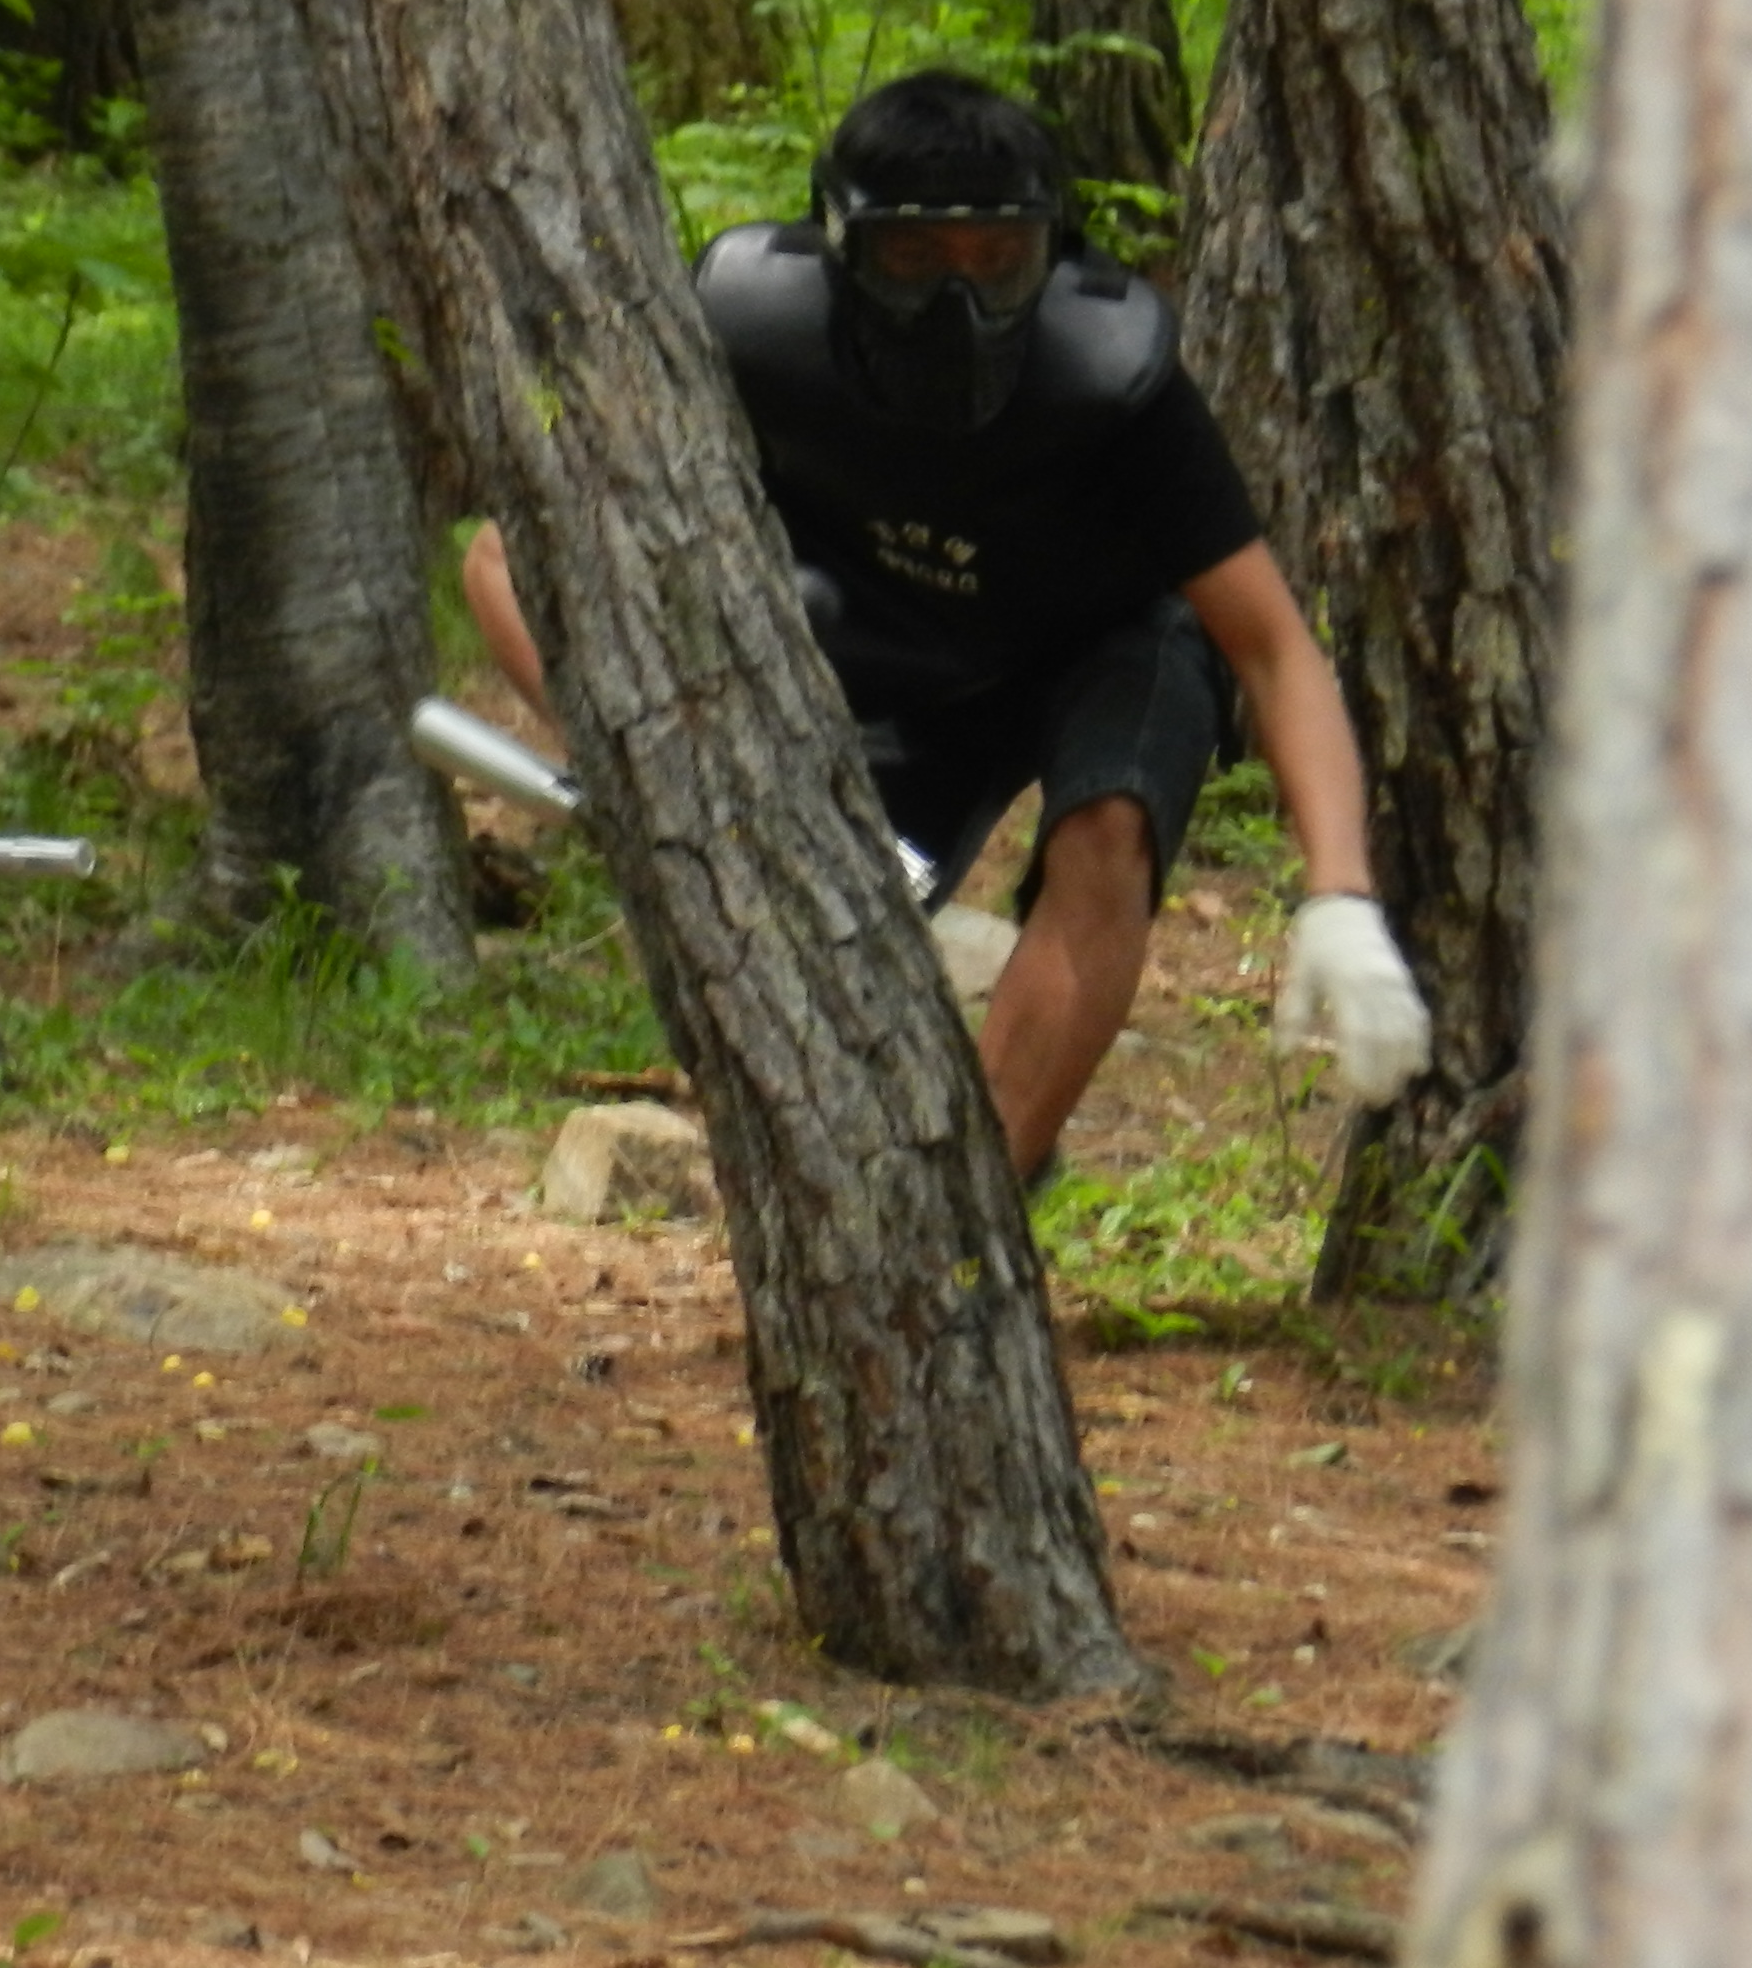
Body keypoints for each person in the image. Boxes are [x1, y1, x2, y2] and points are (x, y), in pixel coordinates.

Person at [460, 69, 1432, 1186]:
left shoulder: (1113, 381)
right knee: (809, 936)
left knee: (1107, 830)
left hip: (1104, 641)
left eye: (997, 259)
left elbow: (1268, 644)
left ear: (1049, 255)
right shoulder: (744, 335)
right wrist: (638, 759)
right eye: (915, 262)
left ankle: (979, 1215)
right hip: (875, 646)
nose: (956, 306)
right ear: (840, 247)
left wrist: (1341, 895)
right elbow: (507, 557)